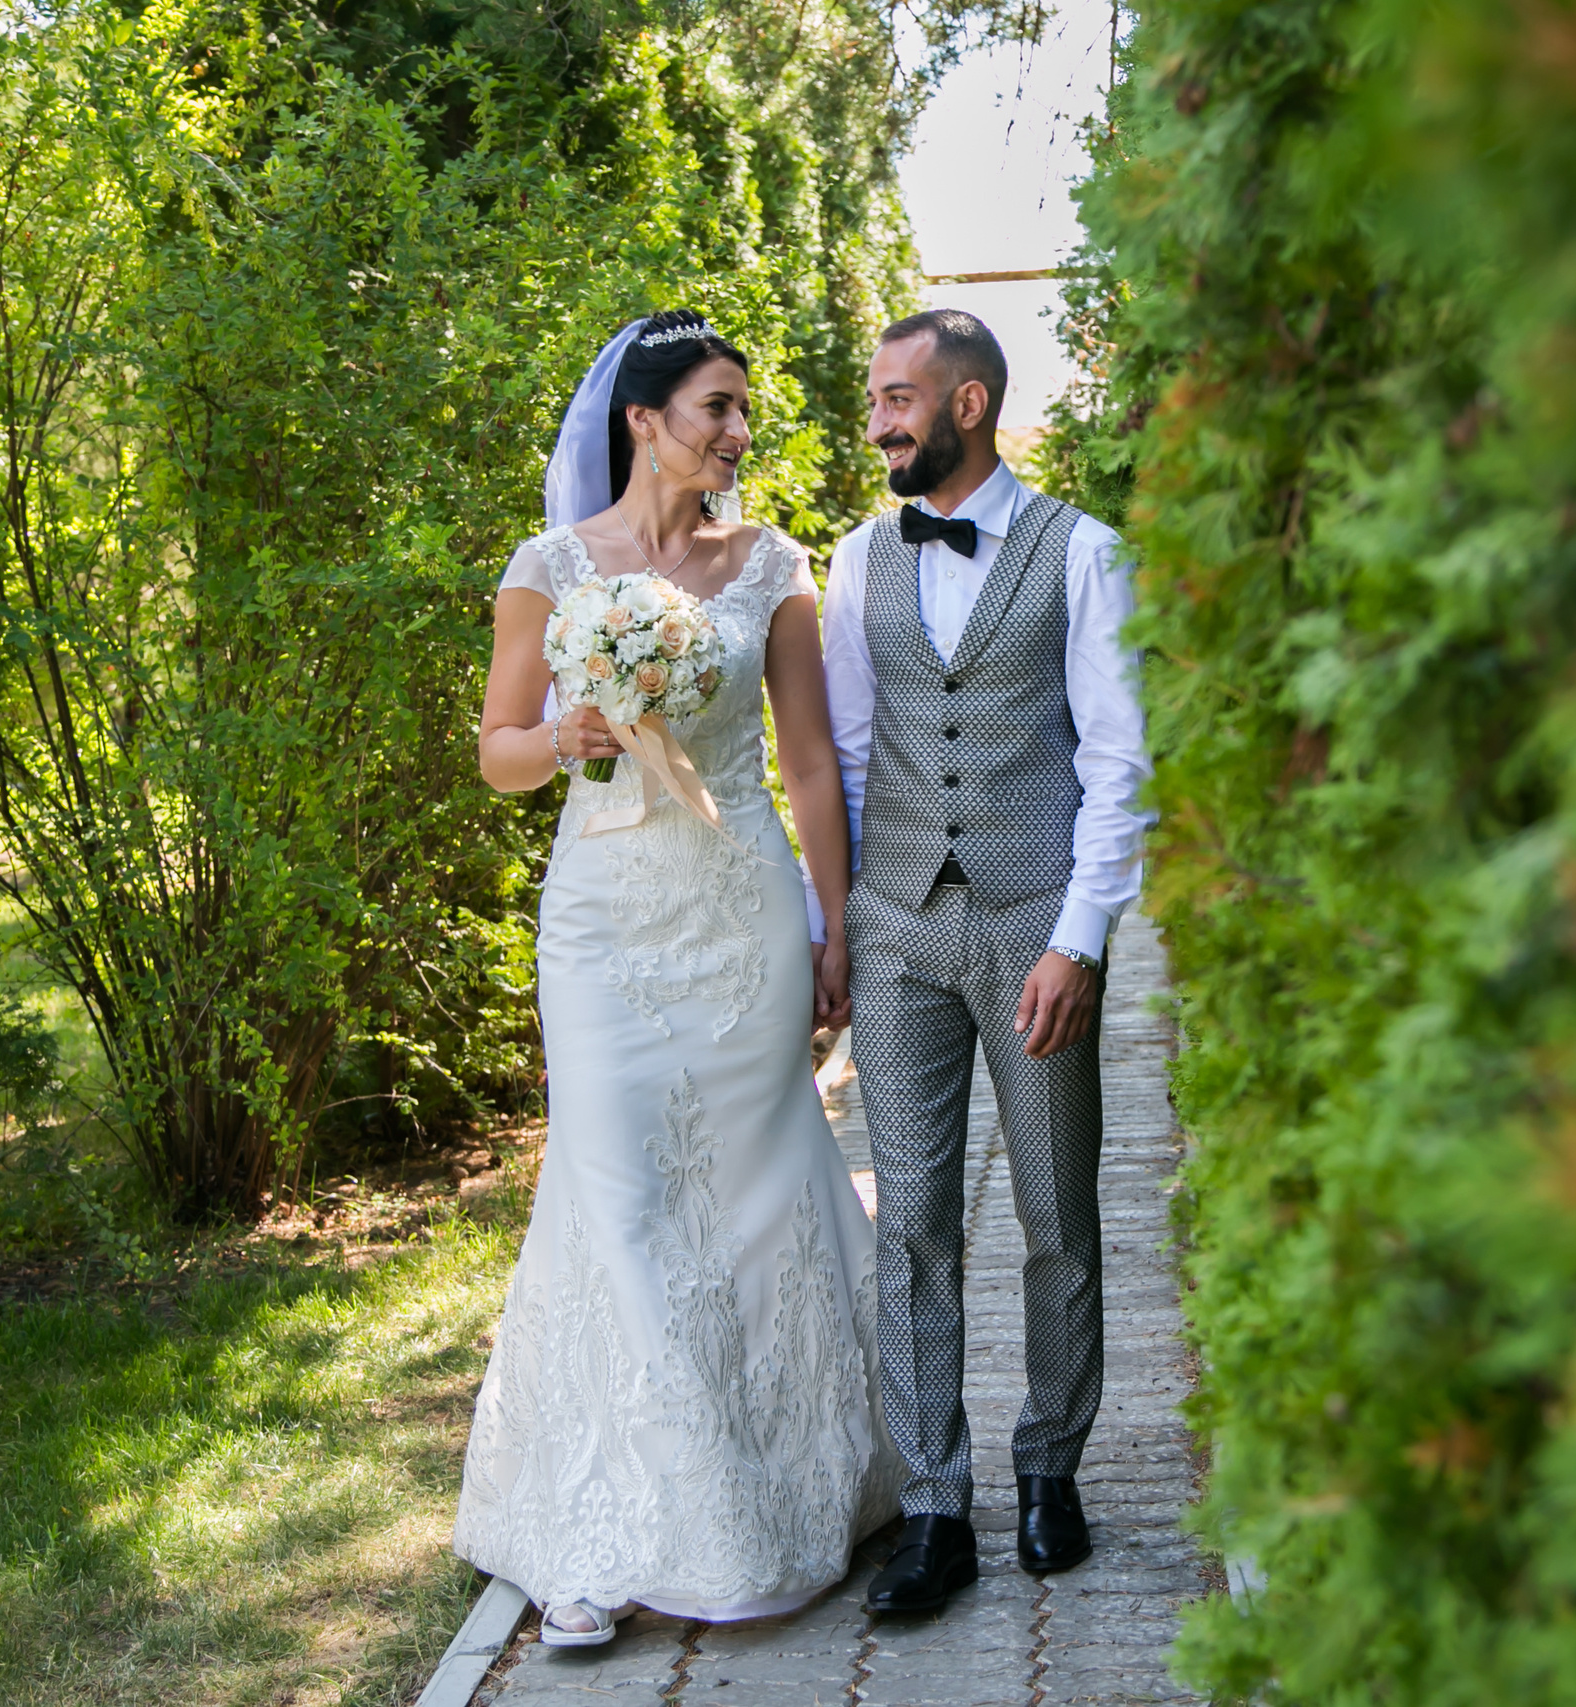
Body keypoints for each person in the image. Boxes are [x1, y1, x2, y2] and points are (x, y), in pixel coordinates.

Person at [455, 310, 897, 1647]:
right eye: (715, 407)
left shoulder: (771, 565)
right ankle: (602, 1535)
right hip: (601, 923)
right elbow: (496, 751)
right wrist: (566, 730)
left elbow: (811, 760)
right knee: (622, 1197)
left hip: (741, 909)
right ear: (642, 421)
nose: (737, 434)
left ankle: (772, 1503)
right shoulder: (548, 566)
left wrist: (839, 928)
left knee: (757, 1197)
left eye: (741, 411)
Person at [822, 308, 1152, 1614]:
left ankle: (1052, 1472)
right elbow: (848, 757)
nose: (880, 421)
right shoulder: (857, 560)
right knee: (909, 1228)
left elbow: (1119, 763)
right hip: (902, 924)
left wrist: (1081, 937)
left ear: (968, 404)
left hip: (1033, 923)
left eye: (900, 397)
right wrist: (846, 922)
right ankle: (933, 1507)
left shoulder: (1085, 557)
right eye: (876, 400)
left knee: (1059, 1217)